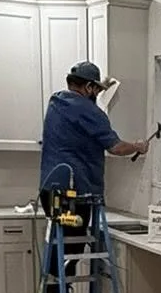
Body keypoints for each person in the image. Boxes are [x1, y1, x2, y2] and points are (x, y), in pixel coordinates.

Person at [38, 61, 148, 217]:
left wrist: (99, 87)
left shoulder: (56, 103)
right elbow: (116, 148)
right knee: (74, 241)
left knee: (61, 239)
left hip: (49, 193)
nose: (97, 95)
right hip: (75, 195)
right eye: (96, 90)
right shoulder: (91, 112)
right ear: (88, 87)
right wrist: (137, 147)